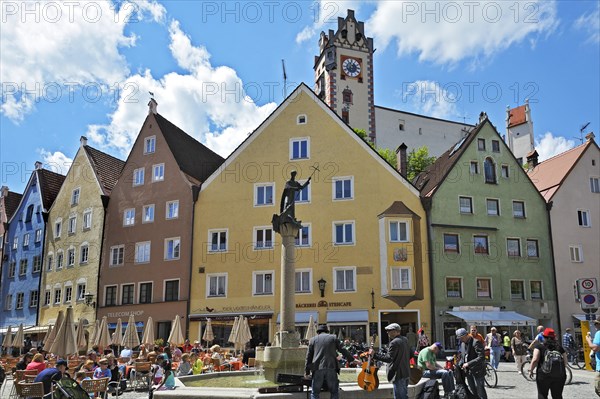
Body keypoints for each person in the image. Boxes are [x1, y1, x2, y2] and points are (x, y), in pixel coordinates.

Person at [304, 324, 354, 399]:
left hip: (317, 368)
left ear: (318, 332)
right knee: (334, 392)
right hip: (331, 367)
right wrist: (351, 359)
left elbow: (308, 357)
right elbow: (343, 350)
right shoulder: (333, 338)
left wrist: (307, 371)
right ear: (327, 331)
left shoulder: (313, 340)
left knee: (315, 393)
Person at [370, 323, 410, 399]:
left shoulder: (394, 342)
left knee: (400, 397)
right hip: (406, 372)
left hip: (398, 374)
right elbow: (409, 354)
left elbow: (388, 359)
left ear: (395, 331)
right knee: (404, 396)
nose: (387, 332)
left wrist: (374, 355)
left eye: (389, 330)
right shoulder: (405, 339)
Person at [529, 328, 568, 398]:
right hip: (559, 375)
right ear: (554, 337)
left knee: (542, 395)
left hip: (543, 375)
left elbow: (535, 359)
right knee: (557, 396)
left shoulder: (539, 346)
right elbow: (565, 362)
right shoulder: (559, 347)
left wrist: (531, 370)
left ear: (544, 337)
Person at [456, 328, 487, 399]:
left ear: (466, 335)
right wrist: (459, 364)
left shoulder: (476, 342)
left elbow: (481, 357)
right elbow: (463, 356)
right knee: (473, 391)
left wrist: (468, 364)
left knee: (480, 391)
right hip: (469, 372)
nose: (460, 340)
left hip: (478, 371)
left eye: (461, 338)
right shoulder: (463, 344)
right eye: (459, 338)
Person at [585, 319, 600, 397]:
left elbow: (595, 348)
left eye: (596, 324)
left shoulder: (599, 333)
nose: (595, 326)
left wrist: (588, 340)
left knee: (598, 388)